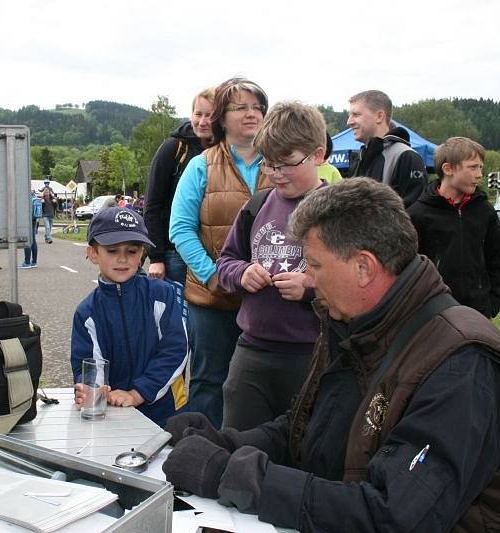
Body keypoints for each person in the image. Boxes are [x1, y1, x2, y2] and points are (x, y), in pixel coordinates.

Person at [162, 178, 500, 531]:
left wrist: (228, 474)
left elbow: (394, 515)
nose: (306, 277)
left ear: (364, 267)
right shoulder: (355, 323)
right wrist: (222, 443)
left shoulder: (460, 364)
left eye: (314, 265)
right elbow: (307, 434)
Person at [216, 102, 327, 431]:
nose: (276, 173)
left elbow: (364, 286)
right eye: (269, 164)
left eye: (287, 164)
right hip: (252, 350)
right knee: (238, 444)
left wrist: (311, 288)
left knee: (306, 449)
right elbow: (225, 263)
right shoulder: (257, 205)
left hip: (314, 354)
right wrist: (242, 274)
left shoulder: (340, 210)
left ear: (318, 155)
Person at [169, 77, 270, 429]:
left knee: (260, 384)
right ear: (221, 118)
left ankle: (251, 459)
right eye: (240, 107)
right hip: (211, 298)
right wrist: (214, 275)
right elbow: (180, 229)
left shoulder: (280, 164)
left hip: (268, 298)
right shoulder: (201, 165)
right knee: (210, 381)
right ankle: (201, 458)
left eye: (257, 107)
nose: (251, 114)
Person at [71, 207, 189, 427]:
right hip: (115, 412)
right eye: (112, 250)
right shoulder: (86, 312)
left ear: (142, 253)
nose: (122, 259)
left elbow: (176, 350)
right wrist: (90, 389)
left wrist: (138, 393)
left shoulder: (163, 294)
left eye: (132, 251)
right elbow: (88, 363)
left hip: (167, 411)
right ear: (93, 254)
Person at [409, 137, 500, 318]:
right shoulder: (417, 215)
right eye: (473, 167)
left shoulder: (485, 211)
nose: (480, 174)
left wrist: (492, 302)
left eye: (481, 167)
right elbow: (408, 269)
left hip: (478, 312)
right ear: (448, 169)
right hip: (433, 313)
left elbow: (496, 259)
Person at [145, 87, 215, 285]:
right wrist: (156, 257)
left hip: (215, 253)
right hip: (175, 254)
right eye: (198, 114)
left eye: (210, 115)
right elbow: (153, 205)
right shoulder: (174, 148)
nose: (202, 122)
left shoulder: (228, 151)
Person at [347, 89, 427, 207]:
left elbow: (414, 213)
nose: (349, 121)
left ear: (379, 116)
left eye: (356, 115)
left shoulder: (406, 156)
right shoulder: (360, 158)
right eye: (350, 115)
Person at [20, 190, 42, 269]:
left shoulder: (24, 197)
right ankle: (34, 262)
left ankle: (27, 262)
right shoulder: (33, 195)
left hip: (27, 220)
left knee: (27, 240)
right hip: (34, 219)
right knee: (33, 240)